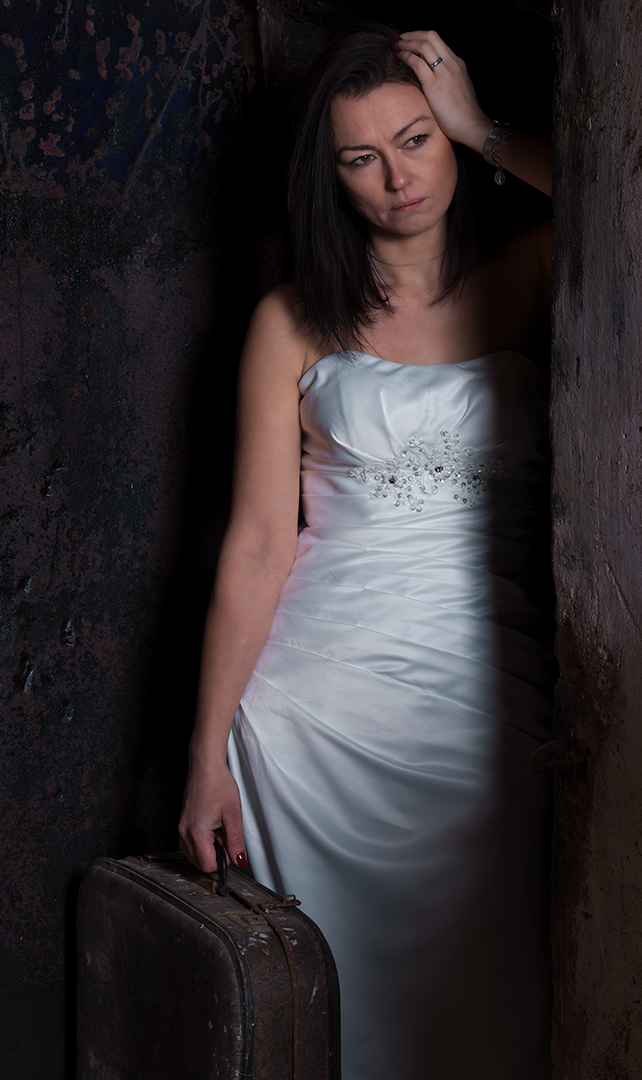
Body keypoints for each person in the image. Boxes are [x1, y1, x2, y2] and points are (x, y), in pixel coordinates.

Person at [179, 25, 555, 1080]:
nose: (398, 179)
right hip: (318, 711)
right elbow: (259, 545)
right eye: (361, 157)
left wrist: (485, 128)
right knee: (332, 1014)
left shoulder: (529, 275)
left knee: (490, 999)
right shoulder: (292, 322)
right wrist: (205, 756)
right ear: (330, 176)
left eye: (417, 140)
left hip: (491, 697)